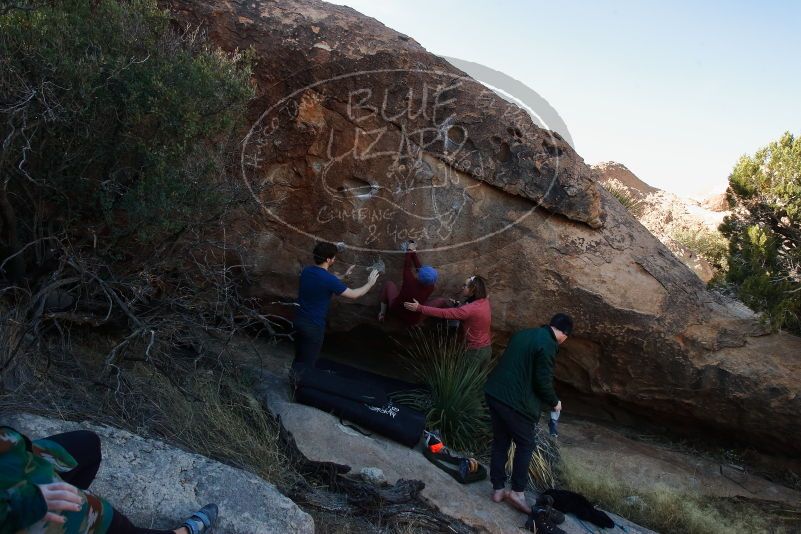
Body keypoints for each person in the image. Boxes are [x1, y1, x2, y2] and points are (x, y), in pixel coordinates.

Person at [0, 426, 217, 534]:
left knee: (87, 445)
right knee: (113, 523)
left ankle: (69, 497)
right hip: (19, 508)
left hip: (15, 457)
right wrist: (25, 502)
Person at [483, 313, 573, 513]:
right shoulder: (549, 344)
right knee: (526, 444)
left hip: (495, 393)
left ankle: (498, 489)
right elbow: (542, 381)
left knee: (501, 441)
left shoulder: (524, 333)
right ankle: (517, 492)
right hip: (513, 403)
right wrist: (554, 402)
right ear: (564, 334)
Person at [294, 241, 379, 368]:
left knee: (299, 355)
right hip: (313, 325)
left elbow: (323, 280)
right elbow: (354, 294)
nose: (335, 259)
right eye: (334, 257)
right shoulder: (329, 280)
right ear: (328, 260)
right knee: (308, 360)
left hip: (298, 319)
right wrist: (370, 284)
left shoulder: (307, 271)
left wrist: (343, 276)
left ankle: (293, 378)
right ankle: (299, 385)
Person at [403, 275, 492, 365]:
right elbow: (472, 313)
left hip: (475, 354)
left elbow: (444, 313)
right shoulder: (485, 301)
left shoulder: (468, 310)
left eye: (465, 285)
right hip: (487, 350)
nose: (462, 287)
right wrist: (459, 305)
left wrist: (420, 308)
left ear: (473, 290)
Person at [377, 240, 446, 326]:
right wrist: (414, 253)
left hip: (396, 310)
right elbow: (419, 269)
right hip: (413, 319)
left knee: (389, 284)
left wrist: (410, 250)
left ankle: (382, 313)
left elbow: (407, 265)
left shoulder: (409, 280)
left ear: (419, 275)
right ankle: (424, 323)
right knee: (441, 301)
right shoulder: (430, 287)